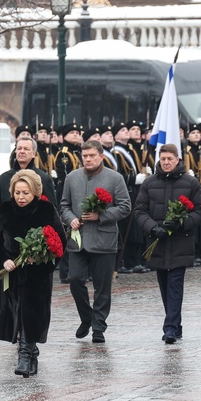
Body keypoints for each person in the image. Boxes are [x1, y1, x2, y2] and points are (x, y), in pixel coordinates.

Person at [0, 169, 66, 377]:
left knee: (31, 314)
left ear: (35, 193)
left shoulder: (46, 210)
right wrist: (3, 261)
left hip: (37, 275)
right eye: (17, 193)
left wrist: (40, 260)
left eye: (26, 193)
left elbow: (60, 243)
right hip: (11, 274)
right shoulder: (4, 210)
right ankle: (30, 355)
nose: (21, 197)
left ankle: (24, 356)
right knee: (15, 312)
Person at [60, 139, 131, 343]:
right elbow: (64, 205)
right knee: (75, 279)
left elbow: (125, 207)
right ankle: (86, 317)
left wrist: (101, 216)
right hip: (78, 240)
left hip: (104, 240)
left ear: (101, 156)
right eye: (85, 156)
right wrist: (70, 218)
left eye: (92, 156)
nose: (88, 159)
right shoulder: (72, 177)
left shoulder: (114, 178)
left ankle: (98, 327)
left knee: (102, 286)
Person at [134, 144, 201, 343]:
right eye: (163, 159)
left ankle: (170, 328)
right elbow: (139, 211)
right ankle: (176, 324)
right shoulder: (149, 183)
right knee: (164, 286)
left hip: (180, 242)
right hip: (157, 241)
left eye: (169, 159)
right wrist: (152, 227)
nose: (166, 163)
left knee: (175, 284)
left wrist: (181, 223)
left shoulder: (190, 183)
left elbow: (199, 212)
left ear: (177, 160)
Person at [0, 136, 57, 221]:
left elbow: (52, 209)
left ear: (33, 154)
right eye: (19, 148)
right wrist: (1, 222)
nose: (22, 151)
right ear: (15, 151)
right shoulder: (4, 178)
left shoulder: (43, 179)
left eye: (26, 149)